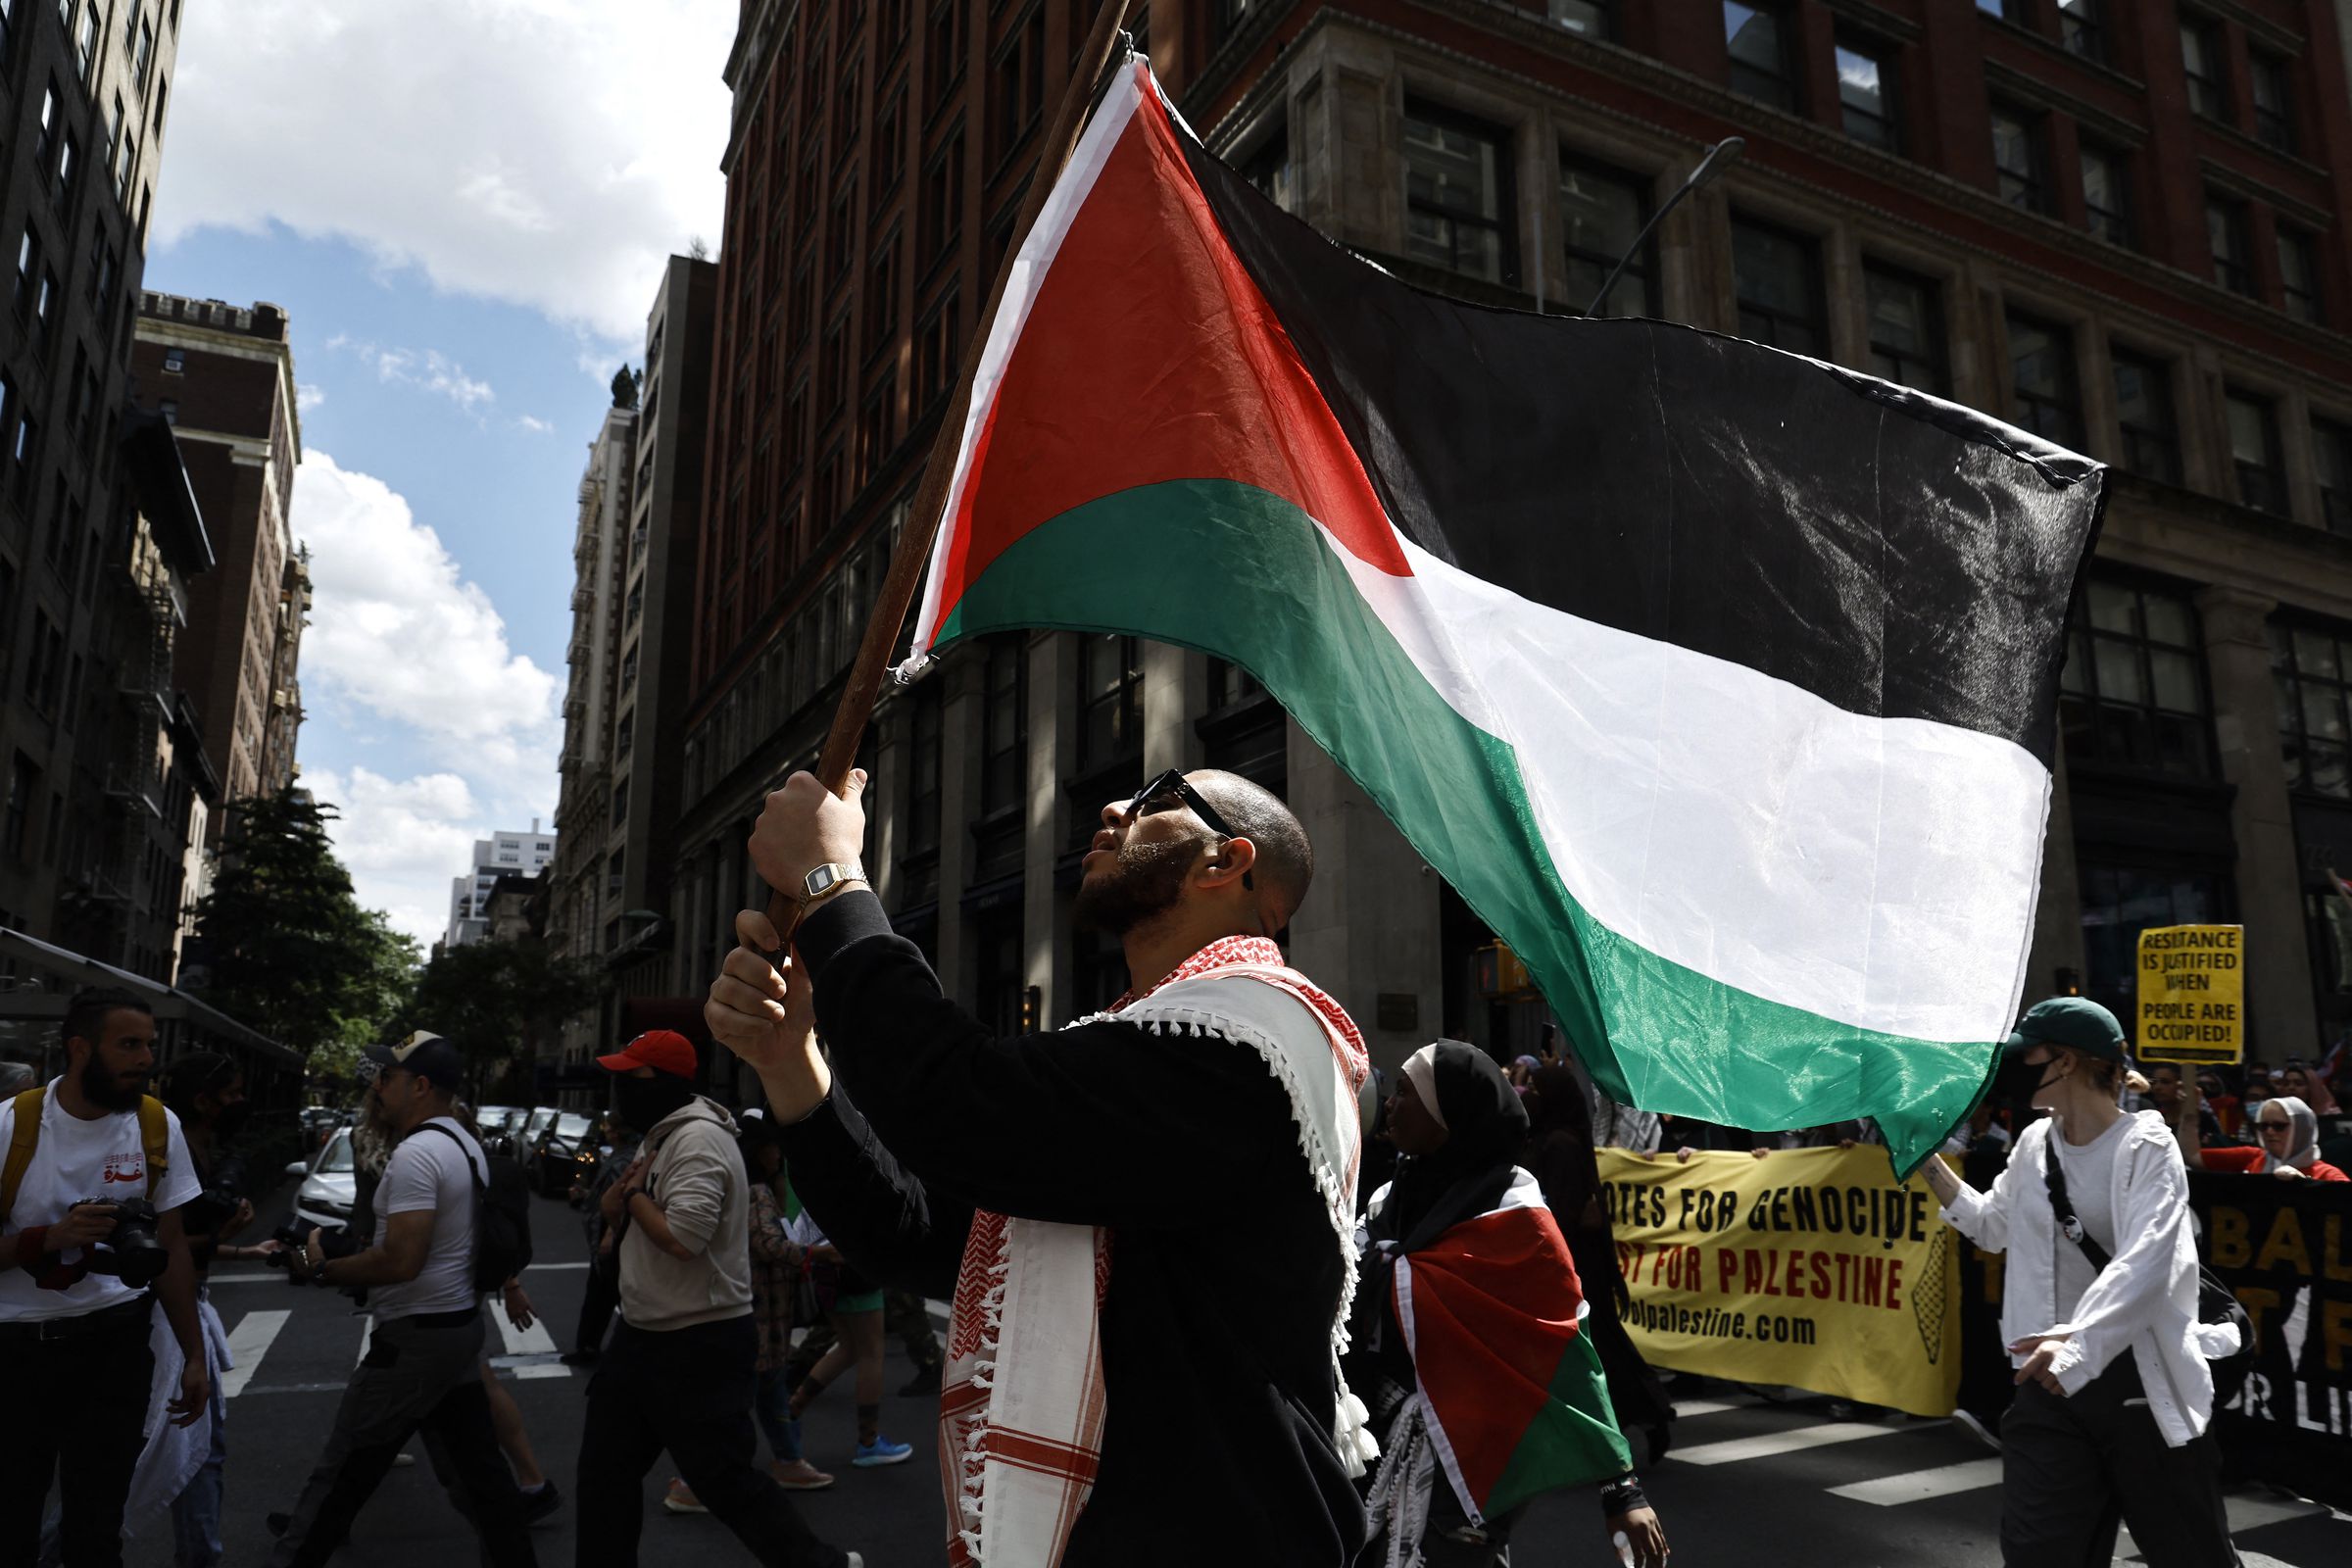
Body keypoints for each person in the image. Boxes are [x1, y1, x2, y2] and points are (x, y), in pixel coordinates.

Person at [709, 765, 1374, 1566]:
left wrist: (829, 883)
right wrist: (790, 1060)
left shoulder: (1255, 1039)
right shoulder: (1152, 1041)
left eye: (1156, 798)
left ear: (1223, 862)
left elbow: (961, 1103)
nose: (1112, 806)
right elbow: (915, 1232)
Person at [1921, 998, 2241, 1568]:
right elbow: (1992, 1227)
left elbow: (2146, 1262)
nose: (2013, 1070)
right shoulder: (2033, 1143)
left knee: (2191, 1556)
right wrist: (1923, 1159)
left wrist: (2076, 1342)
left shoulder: (2146, 1145)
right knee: (2039, 1553)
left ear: (2064, 1062)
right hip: (2045, 1384)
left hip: (2137, 1385)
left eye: (2028, 1055)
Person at [1352, 1043, 1666, 1568]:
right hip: (1376, 1448)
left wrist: (1622, 1491)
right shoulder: (1387, 1202)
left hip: (1475, 1455)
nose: (1390, 1104)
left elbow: (1569, 1355)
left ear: (1448, 1113)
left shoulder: (1515, 1214)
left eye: (1406, 1093)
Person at [573, 1029, 856, 1568]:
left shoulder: (698, 1140)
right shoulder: (661, 1136)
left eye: (633, 1078)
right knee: (604, 1476)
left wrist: (631, 1198)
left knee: (724, 1481)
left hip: (694, 1342)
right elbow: (634, 1230)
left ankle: (821, 1564)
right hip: (643, 1335)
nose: (621, 1090)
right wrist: (617, 1211)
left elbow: (684, 1237)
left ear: (670, 1083)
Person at [266, 1033, 536, 1567]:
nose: (378, 1086)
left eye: (387, 1078)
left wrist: (322, 1267)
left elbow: (401, 1261)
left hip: (414, 1340)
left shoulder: (418, 1153)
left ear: (420, 1085)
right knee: (480, 1477)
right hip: (454, 1330)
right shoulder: (462, 1144)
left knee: (343, 1473)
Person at [0, 988, 210, 1568]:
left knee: (96, 1532)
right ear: (79, 1049)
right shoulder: (10, 1127)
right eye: (128, 1045)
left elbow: (170, 1247)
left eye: (148, 1044)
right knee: (10, 1524)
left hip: (114, 1348)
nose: (145, 1058)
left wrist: (195, 1354)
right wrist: (51, 1238)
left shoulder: (154, 1125)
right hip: (16, 1357)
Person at [664, 1111, 835, 1513]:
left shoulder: (739, 1184)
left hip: (753, 1309)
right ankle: (697, 1481)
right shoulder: (756, 1191)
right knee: (736, 1401)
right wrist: (815, 1253)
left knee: (768, 1392)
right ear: (763, 1151)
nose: (780, 1155)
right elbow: (768, 1244)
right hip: (758, 1312)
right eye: (775, 1148)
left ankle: (788, 1460)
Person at [1524, 1064, 1673, 1464]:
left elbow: (1562, 1213)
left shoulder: (1560, 1145)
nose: (1527, 1095)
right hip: (1574, 1265)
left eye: (1534, 1088)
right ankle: (1637, 1416)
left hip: (1576, 1266)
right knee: (1597, 1347)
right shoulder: (1552, 1139)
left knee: (1600, 1347)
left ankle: (1648, 1412)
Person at [2174, 1095, 2348, 1181]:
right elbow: (2192, 1156)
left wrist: (2306, 1189)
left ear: (2302, 1130)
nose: (2269, 1132)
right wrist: (2189, 1116)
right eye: (2263, 1126)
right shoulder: (2251, 1157)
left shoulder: (2327, 1175)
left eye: (2279, 1126)